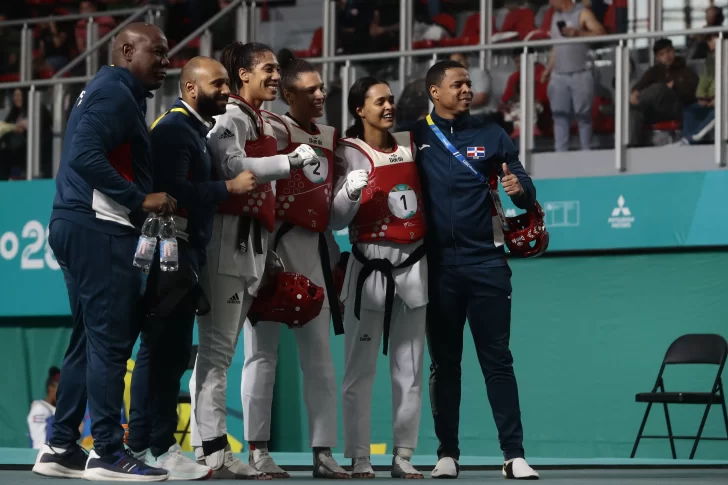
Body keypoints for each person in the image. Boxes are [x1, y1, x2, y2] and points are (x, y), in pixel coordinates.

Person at [33, 23, 175, 482]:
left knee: (88, 340)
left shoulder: (112, 90)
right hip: (98, 227)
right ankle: (109, 452)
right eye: (157, 51)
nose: (165, 60)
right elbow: (83, 155)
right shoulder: (114, 92)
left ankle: (60, 446)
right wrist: (139, 199)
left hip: (77, 223)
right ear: (126, 50)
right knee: (111, 344)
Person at [187, 41, 320, 479]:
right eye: (266, 69)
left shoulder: (257, 117)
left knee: (219, 352)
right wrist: (289, 160)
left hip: (251, 245)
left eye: (278, 70)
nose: (276, 76)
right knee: (218, 352)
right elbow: (230, 166)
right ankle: (213, 452)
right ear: (243, 74)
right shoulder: (230, 115)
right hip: (227, 241)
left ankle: (211, 450)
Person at [126, 56, 257, 480]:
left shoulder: (191, 130)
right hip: (172, 251)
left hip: (185, 251)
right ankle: (156, 447)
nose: (225, 90)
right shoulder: (173, 130)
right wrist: (227, 187)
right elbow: (171, 191)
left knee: (169, 350)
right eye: (217, 84)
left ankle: (147, 445)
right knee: (163, 349)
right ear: (190, 89)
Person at [412, 59, 539, 480]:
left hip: (487, 264)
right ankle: (447, 453)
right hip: (439, 269)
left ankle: (514, 455)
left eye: (468, 83)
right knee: (444, 366)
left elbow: (525, 192)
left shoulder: (492, 133)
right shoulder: (416, 137)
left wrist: (520, 189)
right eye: (458, 84)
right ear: (435, 91)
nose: (467, 89)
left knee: (498, 361)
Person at [240, 49, 349, 479]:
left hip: (318, 252)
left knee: (320, 359)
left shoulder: (330, 136)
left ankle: (323, 451)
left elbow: (333, 207)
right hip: (272, 252)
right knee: (261, 356)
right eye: (312, 89)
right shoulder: (271, 126)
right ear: (287, 94)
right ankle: (256, 449)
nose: (322, 94)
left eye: (323, 88)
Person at [331, 77, 428, 479]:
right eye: (379, 101)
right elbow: (335, 219)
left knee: (410, 368)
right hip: (369, 268)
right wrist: (349, 193)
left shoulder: (412, 144)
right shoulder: (346, 152)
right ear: (359, 109)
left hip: (414, 266)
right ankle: (359, 457)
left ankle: (403, 453)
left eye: (390, 100)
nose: (389, 107)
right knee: (360, 371)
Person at [542, 0, 606, 151]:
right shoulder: (554, 16)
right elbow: (555, 47)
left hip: (580, 72)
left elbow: (601, 33)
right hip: (558, 75)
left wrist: (578, 33)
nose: (550, 1)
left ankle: (586, 151)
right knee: (559, 116)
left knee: (583, 116)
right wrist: (549, 69)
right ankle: (560, 153)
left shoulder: (583, 13)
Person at [28, 367, 60, 449]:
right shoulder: (39, 408)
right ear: (51, 388)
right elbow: (39, 444)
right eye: (60, 390)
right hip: (44, 458)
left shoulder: (56, 409)